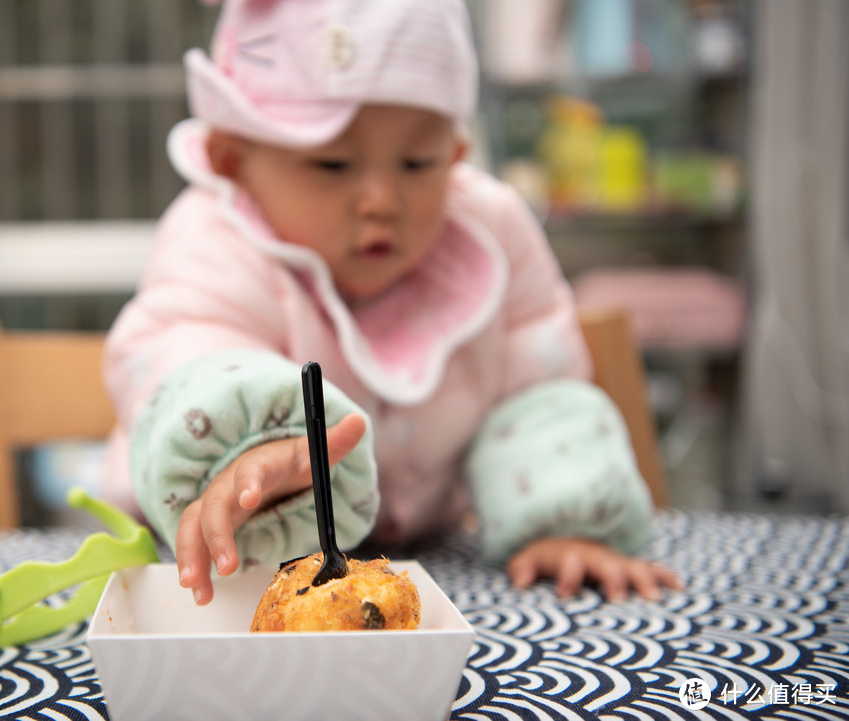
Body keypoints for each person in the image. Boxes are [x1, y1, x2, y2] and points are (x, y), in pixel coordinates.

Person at [101, 0, 680, 606]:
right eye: (332, 162)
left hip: (437, 572)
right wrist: (244, 451)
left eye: (416, 162)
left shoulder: (493, 232)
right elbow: (188, 344)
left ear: (455, 155)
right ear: (233, 161)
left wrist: (565, 520)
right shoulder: (212, 236)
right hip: (225, 574)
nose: (381, 199)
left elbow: (537, 395)